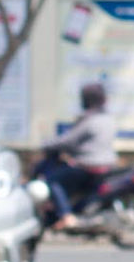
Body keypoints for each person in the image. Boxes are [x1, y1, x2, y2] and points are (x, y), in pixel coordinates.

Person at [38, 82, 120, 230]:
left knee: (53, 181)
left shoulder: (89, 120)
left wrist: (47, 144)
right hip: (107, 165)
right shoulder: (108, 119)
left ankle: (66, 215)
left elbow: (68, 140)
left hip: (89, 166)